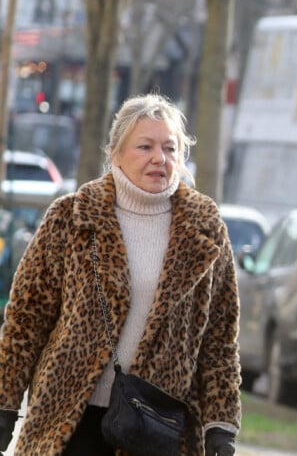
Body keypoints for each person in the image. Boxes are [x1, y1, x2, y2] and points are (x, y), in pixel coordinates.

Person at [0, 93, 241, 455]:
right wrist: (4, 402)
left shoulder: (205, 229)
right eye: (145, 146)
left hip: (159, 426)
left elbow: (220, 340)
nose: (160, 158)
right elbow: (26, 321)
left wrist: (221, 426)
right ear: (115, 151)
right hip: (68, 419)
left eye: (170, 148)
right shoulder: (72, 217)